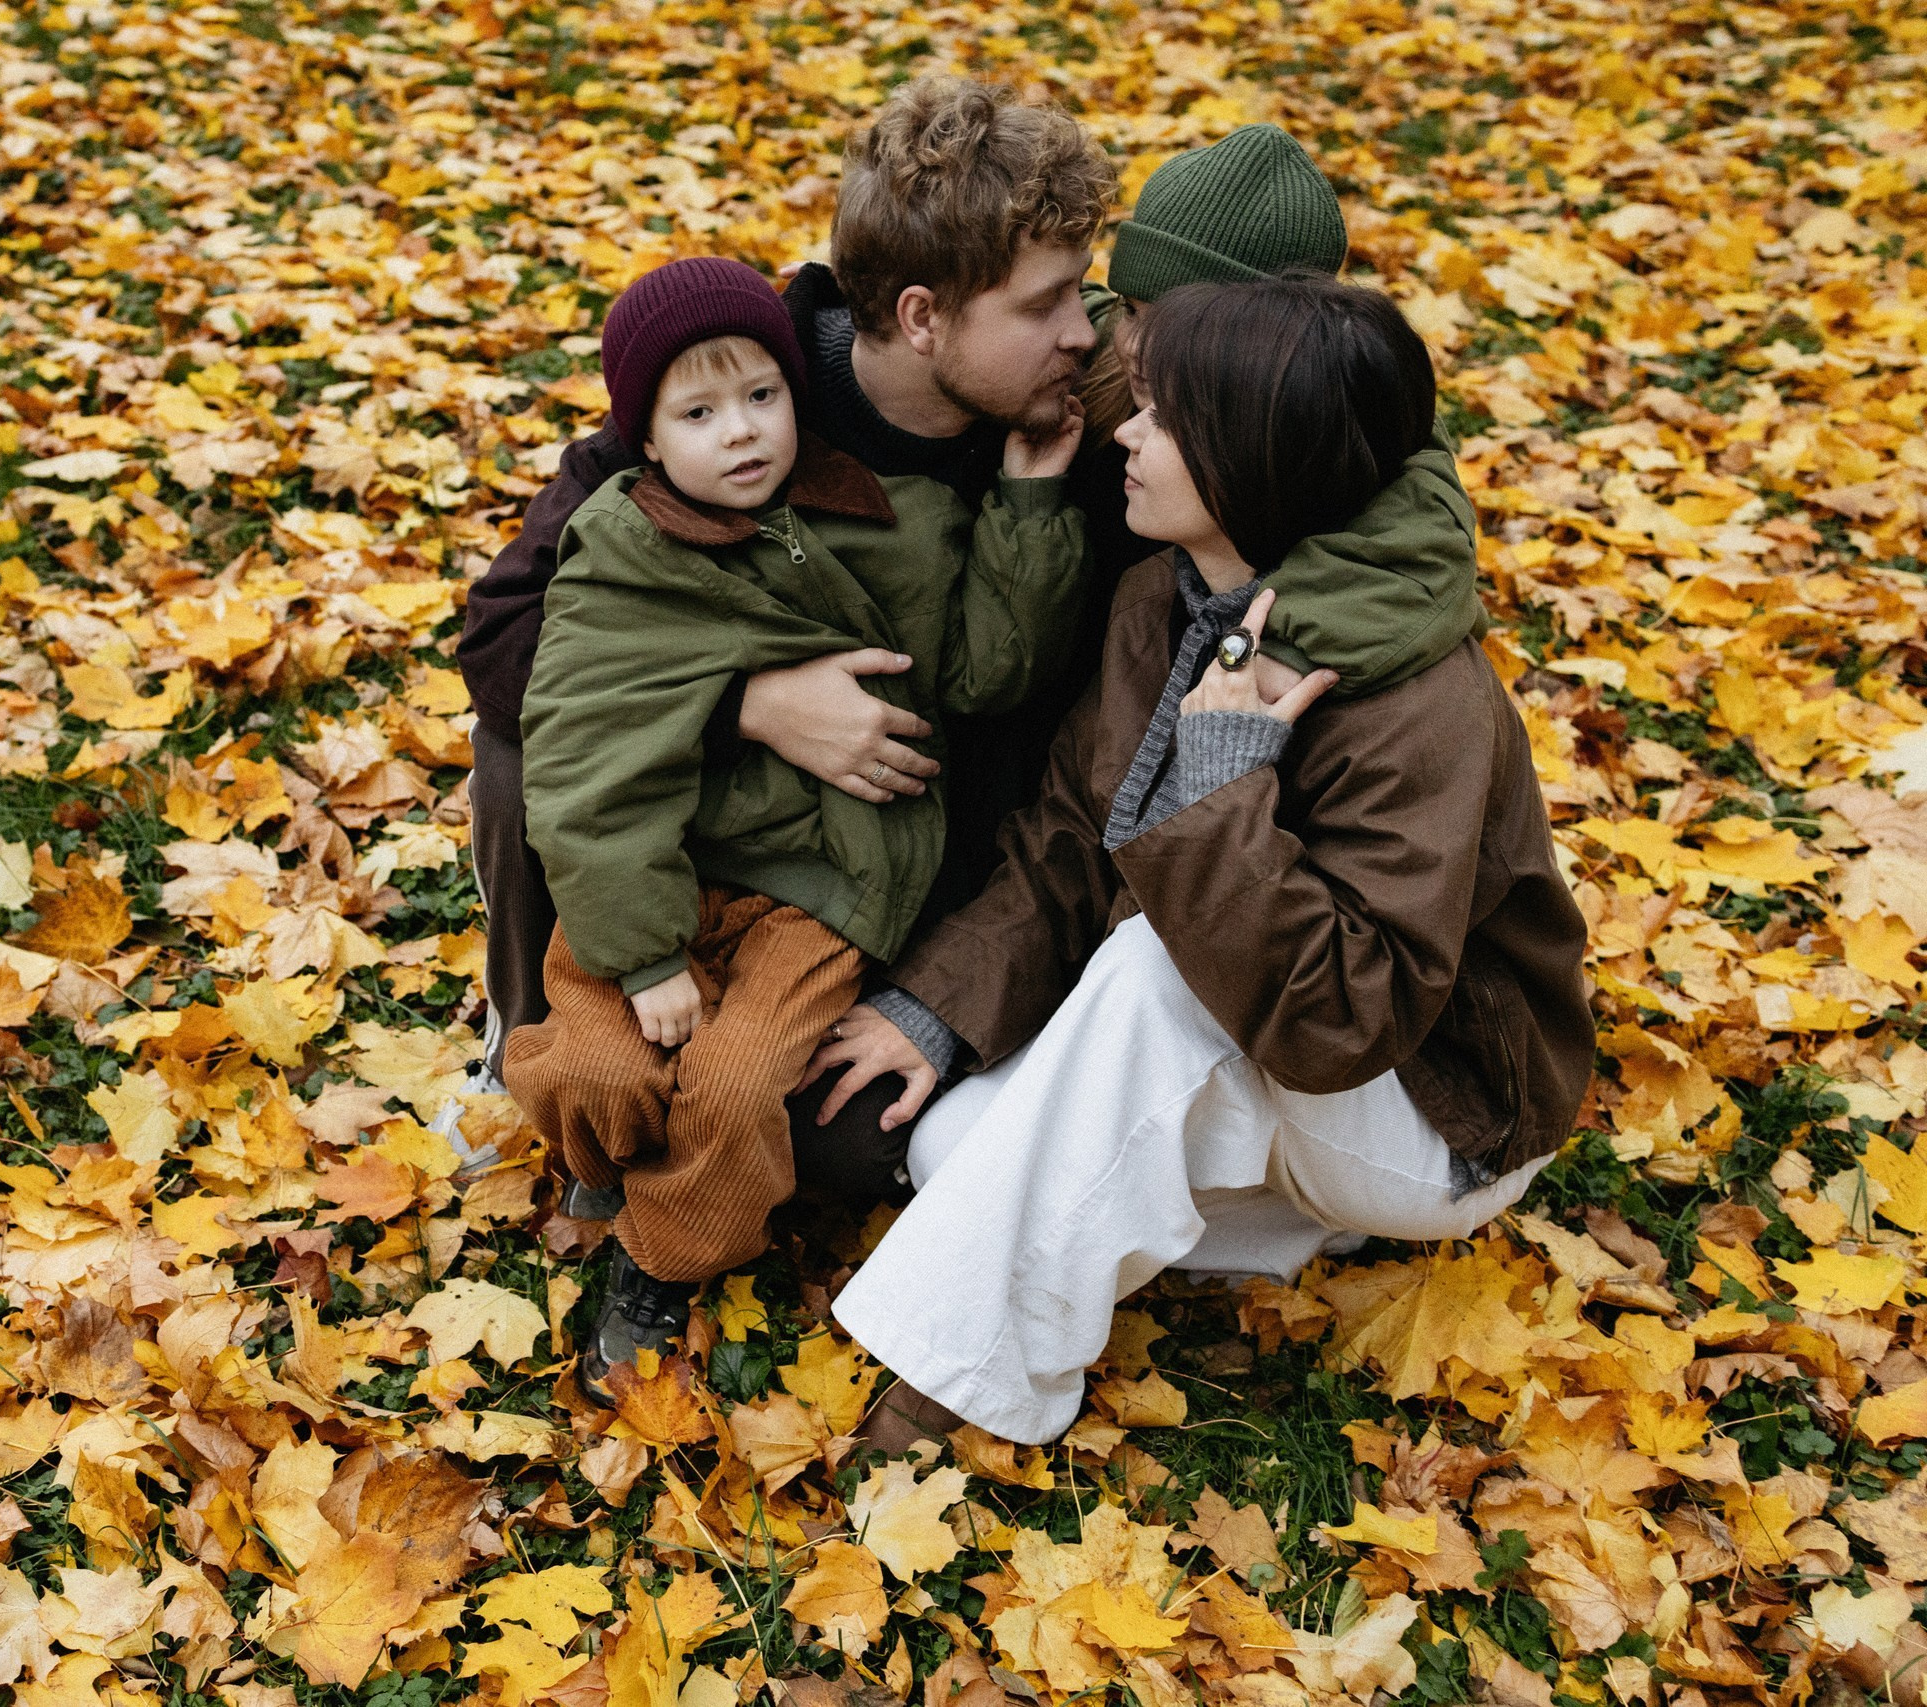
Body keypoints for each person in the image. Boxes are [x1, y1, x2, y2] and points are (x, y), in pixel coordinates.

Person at [461, 94, 1490, 1194]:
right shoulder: (738, 396)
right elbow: (509, 630)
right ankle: (530, 1036)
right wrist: (749, 705)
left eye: (1089, 292)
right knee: (520, 752)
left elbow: (1384, 461)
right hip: (718, 804)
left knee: (840, 1142)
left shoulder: (1115, 420)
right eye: (1049, 303)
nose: (1085, 331)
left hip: (935, 847)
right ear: (919, 317)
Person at [806, 277, 1594, 1450]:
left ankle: (958, 1388)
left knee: (1148, 970)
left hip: (1434, 1109)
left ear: (1249, 460)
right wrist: (938, 1007)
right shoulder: (1165, 599)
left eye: (1161, 418)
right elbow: (1070, 839)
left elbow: (1340, 1018)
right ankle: (1275, 1229)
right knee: (950, 1147)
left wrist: (1226, 787)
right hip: (1262, 1052)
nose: (1123, 433)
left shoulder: (1417, 699)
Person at [501, 255, 1088, 1396]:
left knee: (731, 1089)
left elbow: (987, 670)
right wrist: (644, 953)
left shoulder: (890, 514)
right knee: (595, 1064)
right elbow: (580, 760)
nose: (741, 431)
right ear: (644, 438)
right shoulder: (621, 547)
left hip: (821, 888)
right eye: (698, 413)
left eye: (762, 395)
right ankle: (607, 1157)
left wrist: (1026, 505)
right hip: (664, 875)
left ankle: (664, 1258)